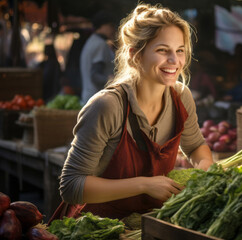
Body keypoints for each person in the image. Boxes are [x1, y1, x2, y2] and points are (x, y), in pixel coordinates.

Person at [49, 4, 213, 222]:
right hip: (97, 227)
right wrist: (144, 185)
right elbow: (71, 185)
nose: (175, 61)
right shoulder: (107, 106)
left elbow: (194, 146)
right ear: (135, 55)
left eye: (180, 50)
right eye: (163, 50)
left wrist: (205, 170)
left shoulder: (181, 97)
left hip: (146, 223)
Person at [80, 10, 116, 105]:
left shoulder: (91, 41)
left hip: (88, 99)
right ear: (102, 26)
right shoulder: (100, 44)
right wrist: (112, 80)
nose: (113, 29)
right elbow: (95, 76)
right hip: (97, 101)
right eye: (111, 26)